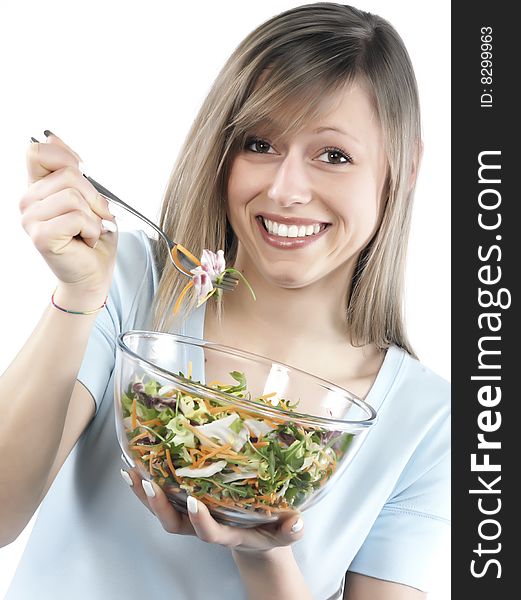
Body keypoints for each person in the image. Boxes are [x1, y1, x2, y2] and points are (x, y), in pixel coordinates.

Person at [0, 3, 450, 599]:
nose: (287, 189)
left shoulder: (426, 421)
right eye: (260, 144)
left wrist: (263, 556)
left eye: (333, 155)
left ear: (405, 166)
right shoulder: (131, 282)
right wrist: (79, 295)